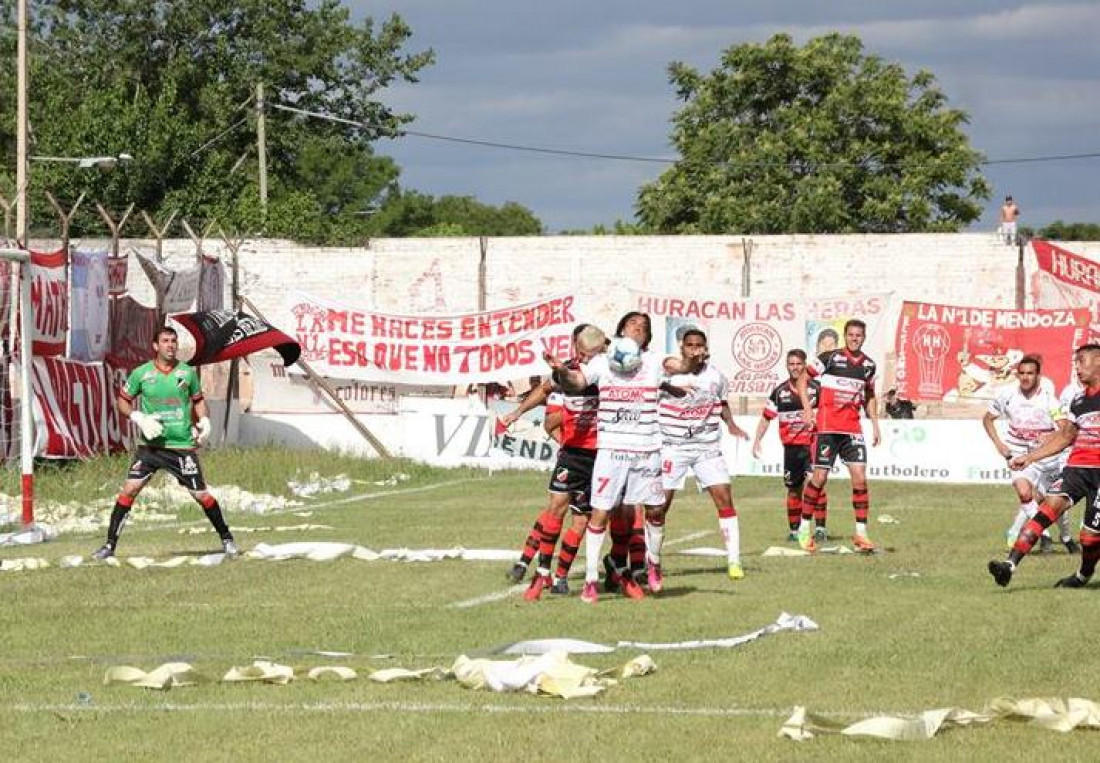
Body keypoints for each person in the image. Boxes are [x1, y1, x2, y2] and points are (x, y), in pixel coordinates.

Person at [545, 311, 680, 605]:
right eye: (633, 324)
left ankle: (648, 564)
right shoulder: (602, 362)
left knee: (651, 512)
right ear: (620, 330)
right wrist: (560, 371)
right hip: (609, 451)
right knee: (602, 513)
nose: (638, 328)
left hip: (646, 450)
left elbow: (678, 365)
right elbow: (576, 381)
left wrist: (692, 360)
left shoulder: (654, 360)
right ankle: (592, 579)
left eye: (644, 327)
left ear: (647, 337)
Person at [92, 326, 237, 560]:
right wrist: (138, 417)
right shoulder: (142, 374)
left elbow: (198, 401)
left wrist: (206, 421)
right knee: (129, 489)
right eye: (166, 341)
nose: (171, 345)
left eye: (174, 341)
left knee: (201, 495)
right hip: (150, 447)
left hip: (180, 446)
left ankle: (227, 538)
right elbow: (123, 401)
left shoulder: (187, 373)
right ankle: (109, 546)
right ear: (155, 346)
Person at [501, 324, 604, 590]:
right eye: (579, 349)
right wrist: (518, 413)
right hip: (573, 454)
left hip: (603, 457)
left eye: (588, 351)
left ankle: (560, 576)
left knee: (584, 518)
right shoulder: (565, 376)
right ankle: (533, 565)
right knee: (556, 507)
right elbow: (550, 421)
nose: (582, 357)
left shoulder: (609, 372)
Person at [988, 343, 1100, 589]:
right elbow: (1065, 437)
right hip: (1077, 469)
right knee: (1046, 509)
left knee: (1090, 538)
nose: (1077, 367)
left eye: (1082, 361)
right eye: (1075, 362)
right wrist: (1030, 457)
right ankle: (1009, 565)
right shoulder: (1079, 400)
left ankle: (1082, 575)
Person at [646, 327, 749, 589]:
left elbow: (722, 403)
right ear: (682, 348)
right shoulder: (668, 372)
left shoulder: (716, 376)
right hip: (673, 446)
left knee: (724, 498)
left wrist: (731, 424)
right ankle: (653, 562)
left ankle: (734, 561)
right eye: (689, 345)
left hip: (706, 447)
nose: (694, 349)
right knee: (659, 507)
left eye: (699, 345)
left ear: (705, 348)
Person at [795, 319, 881, 553]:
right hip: (828, 428)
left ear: (864, 337)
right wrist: (807, 408)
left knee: (860, 478)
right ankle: (804, 528)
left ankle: (861, 534)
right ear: (845, 336)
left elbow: (870, 395)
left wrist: (875, 423)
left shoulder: (869, 366)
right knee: (819, 478)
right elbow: (803, 379)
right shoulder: (831, 358)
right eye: (851, 335)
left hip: (852, 429)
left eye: (859, 335)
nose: (855, 338)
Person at [982, 355, 1077, 553]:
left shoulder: (1049, 400)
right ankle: (1044, 536)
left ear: (1038, 376)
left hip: (1046, 457)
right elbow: (987, 419)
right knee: (1025, 493)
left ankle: (1067, 537)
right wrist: (999, 445)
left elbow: (1063, 429)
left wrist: (1049, 435)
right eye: (1022, 373)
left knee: (1053, 502)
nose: (1025, 377)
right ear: (1017, 374)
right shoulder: (1006, 395)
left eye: (1030, 373)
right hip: (1017, 453)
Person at [753, 349, 829, 542]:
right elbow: (766, 418)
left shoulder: (817, 388)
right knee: (794, 489)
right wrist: (757, 440)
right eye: (791, 364)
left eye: (798, 364)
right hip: (792, 448)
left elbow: (829, 412)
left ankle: (820, 528)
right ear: (787, 366)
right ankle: (794, 531)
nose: (795, 368)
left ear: (805, 365)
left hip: (813, 444)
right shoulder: (780, 392)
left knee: (816, 483)